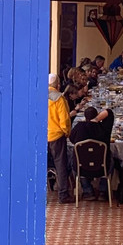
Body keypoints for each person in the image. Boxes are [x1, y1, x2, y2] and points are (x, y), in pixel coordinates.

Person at [48, 73, 74, 203]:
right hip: (57, 136)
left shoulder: (39, 97)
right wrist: (66, 132)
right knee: (60, 165)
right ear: (58, 85)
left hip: (43, 136)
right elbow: (64, 119)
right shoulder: (59, 99)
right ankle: (63, 194)